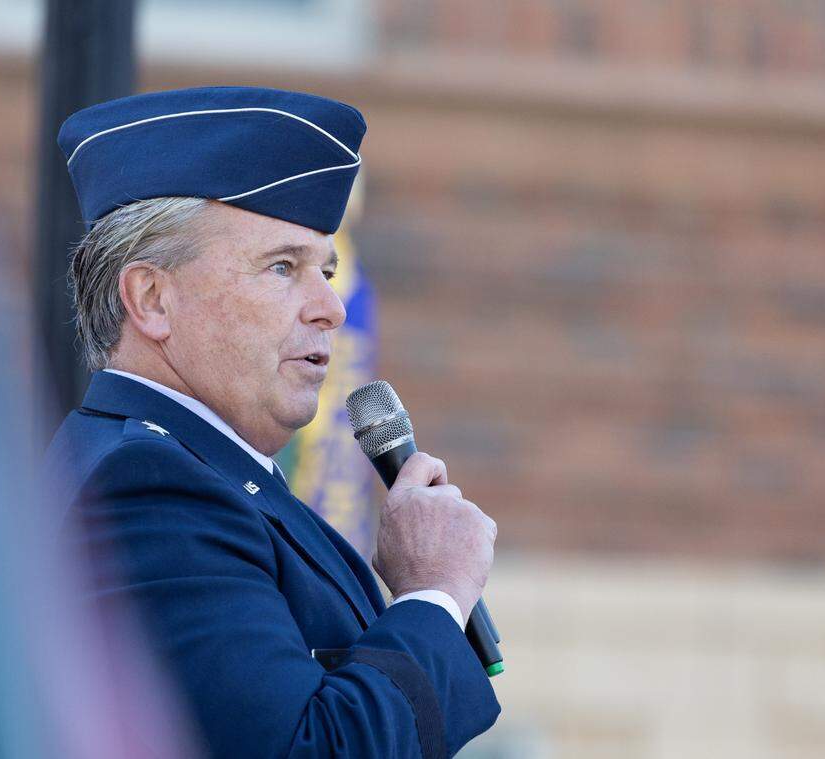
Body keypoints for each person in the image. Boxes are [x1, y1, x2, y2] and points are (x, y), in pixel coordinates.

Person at [46, 86, 500, 758]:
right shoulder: (147, 488)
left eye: (328, 269)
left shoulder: (220, 475)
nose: (330, 308)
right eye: (282, 266)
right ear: (152, 298)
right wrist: (433, 593)